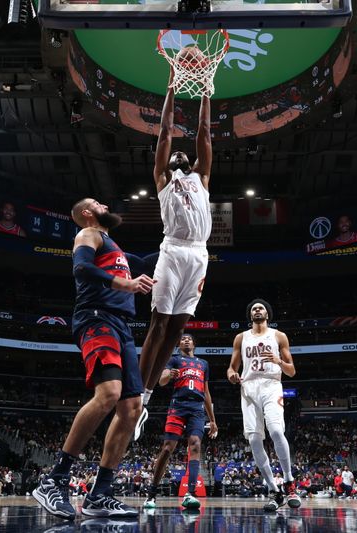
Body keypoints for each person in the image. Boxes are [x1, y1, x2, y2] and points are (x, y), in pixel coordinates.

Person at [31, 198, 155, 520]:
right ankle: (54, 479)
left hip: (122, 325)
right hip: (96, 318)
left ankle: (99, 494)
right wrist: (124, 283)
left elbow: (143, 260)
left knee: (132, 408)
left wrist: (186, 248)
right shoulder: (88, 235)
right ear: (87, 213)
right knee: (109, 393)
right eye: (98, 203)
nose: (105, 205)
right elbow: (82, 268)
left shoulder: (115, 247)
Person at [134, 64, 213, 441]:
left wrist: (206, 92)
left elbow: (204, 134)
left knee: (178, 328)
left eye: (185, 154)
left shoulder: (202, 178)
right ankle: (139, 394)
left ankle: (148, 397)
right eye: (174, 154)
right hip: (173, 251)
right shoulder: (163, 180)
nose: (180, 153)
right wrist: (170, 89)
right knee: (159, 325)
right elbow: (165, 131)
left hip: (199, 255)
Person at [227, 299, 301, 512]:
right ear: (250, 315)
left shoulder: (279, 336)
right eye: (253, 309)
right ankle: (274, 490)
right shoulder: (241, 337)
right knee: (254, 439)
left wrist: (278, 361)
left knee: (277, 431)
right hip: (249, 387)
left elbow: (291, 371)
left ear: (267, 313)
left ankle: (289, 481)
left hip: (271, 385)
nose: (257, 310)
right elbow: (231, 368)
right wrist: (232, 376)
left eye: (260, 308)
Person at [143, 334, 218, 510]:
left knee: (195, 445)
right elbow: (161, 381)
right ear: (178, 344)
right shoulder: (173, 359)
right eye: (182, 339)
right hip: (178, 405)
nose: (186, 340)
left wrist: (213, 419)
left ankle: (190, 494)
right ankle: (152, 494)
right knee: (168, 448)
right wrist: (169, 375)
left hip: (197, 408)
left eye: (189, 339)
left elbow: (206, 392)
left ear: (194, 343)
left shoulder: (203, 364)